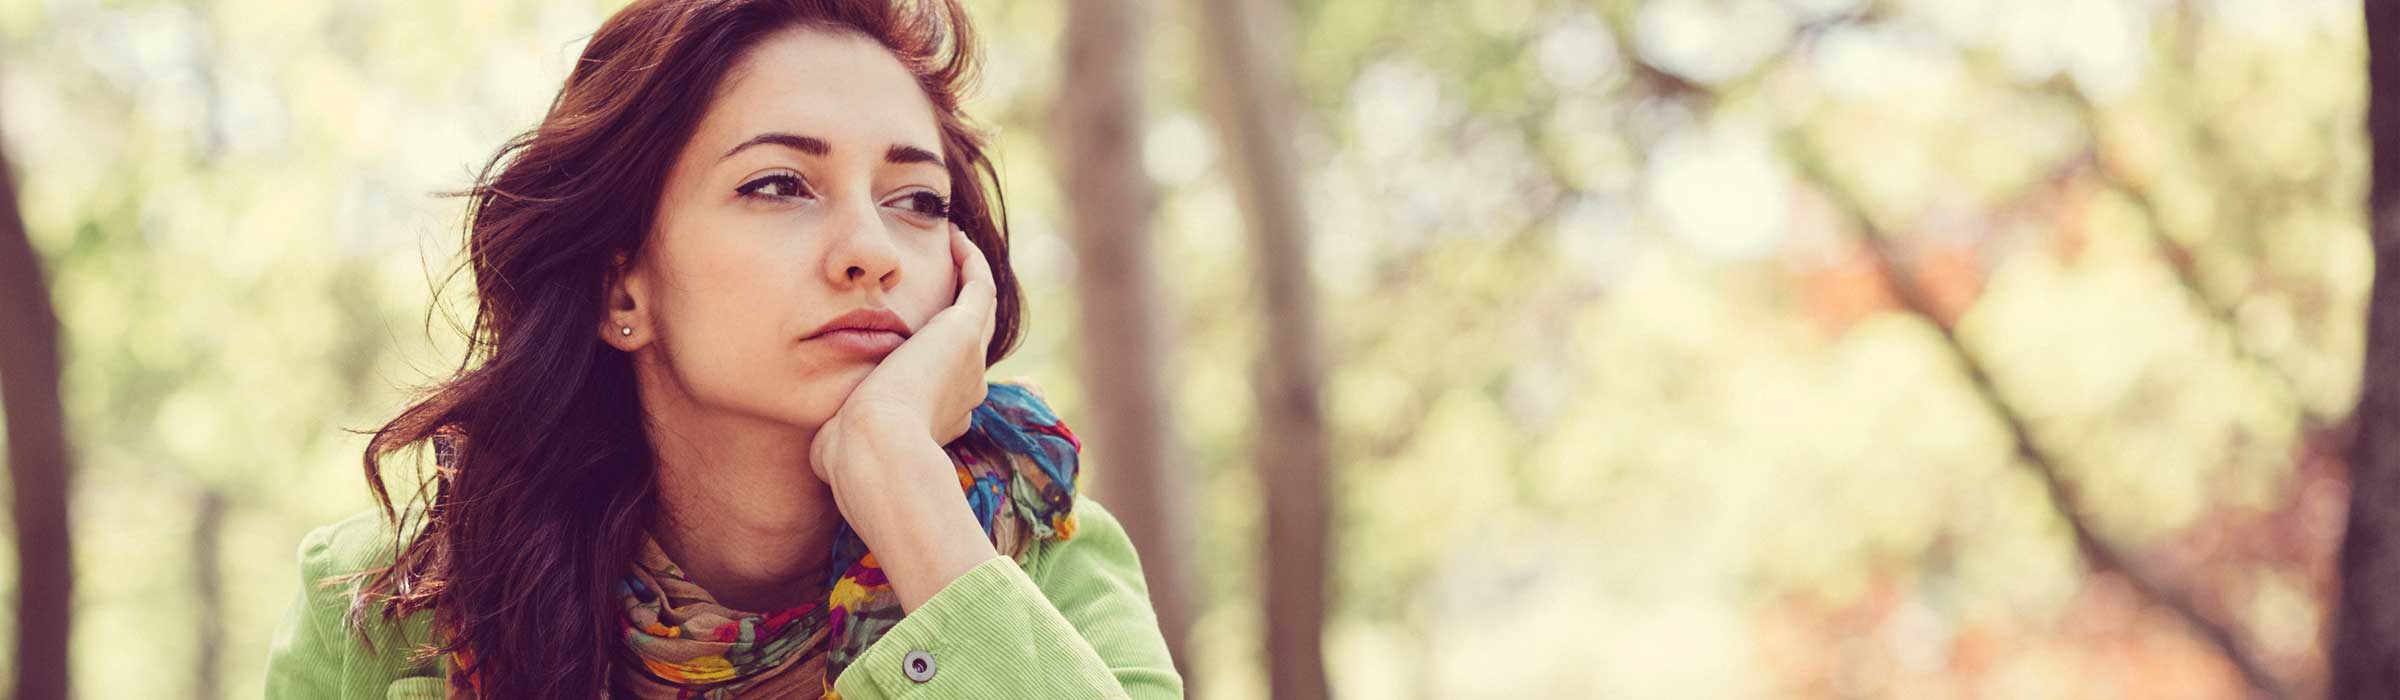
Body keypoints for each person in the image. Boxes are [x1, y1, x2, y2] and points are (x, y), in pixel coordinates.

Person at [262, 1, 1183, 697]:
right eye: (781, 184)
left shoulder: (1045, 560)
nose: (872, 249)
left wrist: (903, 478)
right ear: (624, 287)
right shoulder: (390, 606)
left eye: (918, 200)